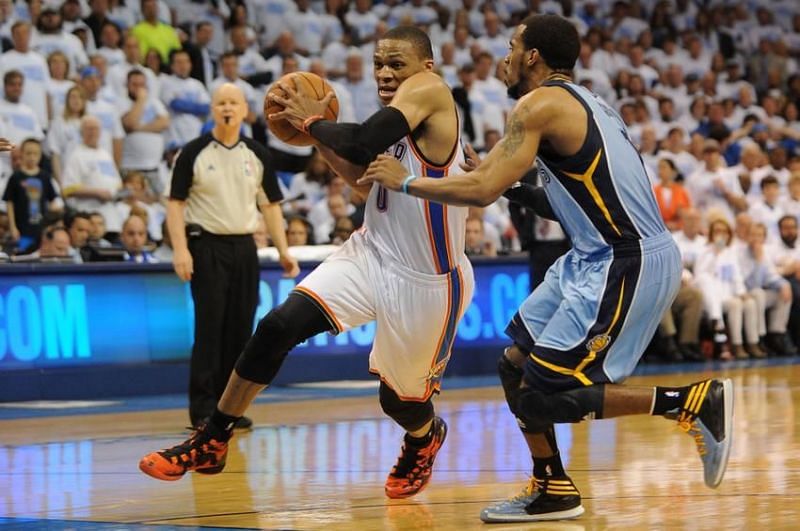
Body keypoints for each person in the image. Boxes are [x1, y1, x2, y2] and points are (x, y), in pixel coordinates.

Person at [360, 14, 733, 522]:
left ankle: (689, 402)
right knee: (514, 365)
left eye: (513, 46)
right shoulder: (588, 102)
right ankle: (552, 487)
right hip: (591, 255)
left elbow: (479, 191)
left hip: (625, 259)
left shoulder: (536, 105)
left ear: (532, 56)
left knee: (544, 392)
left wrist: (406, 182)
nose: (506, 56)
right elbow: (568, 201)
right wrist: (511, 185)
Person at [139, 26, 475, 501]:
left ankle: (425, 437)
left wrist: (314, 121)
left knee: (399, 402)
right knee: (278, 325)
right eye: (379, 62)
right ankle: (213, 437)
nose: (384, 72)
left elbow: (359, 143)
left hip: (428, 280)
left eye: (396, 63)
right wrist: (316, 138)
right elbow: (363, 179)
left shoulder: (430, 91)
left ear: (426, 66)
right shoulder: (402, 113)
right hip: (371, 253)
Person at [162, 82, 299, 429]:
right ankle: (203, 409)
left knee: (241, 330)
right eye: (220, 102)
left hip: (244, 248)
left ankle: (228, 409)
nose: (226, 108)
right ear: (212, 110)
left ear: (242, 110)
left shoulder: (257, 154)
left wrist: (283, 250)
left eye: (233, 102)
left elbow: (270, 205)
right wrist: (180, 250)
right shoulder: (193, 152)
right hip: (206, 246)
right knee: (209, 330)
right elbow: (175, 204)